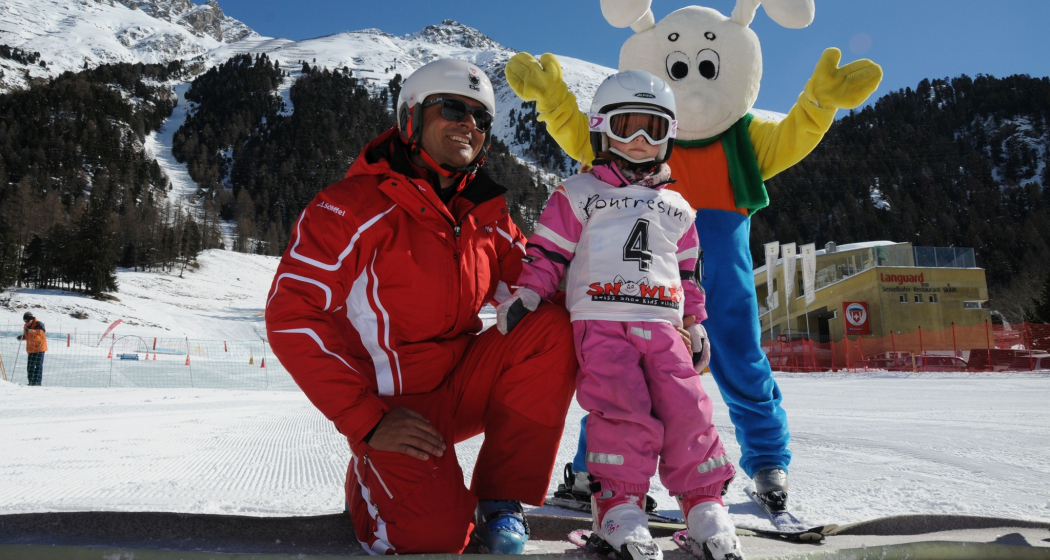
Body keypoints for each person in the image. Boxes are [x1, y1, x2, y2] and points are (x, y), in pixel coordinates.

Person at [264, 58, 577, 555]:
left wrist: (660, 318)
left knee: (550, 326)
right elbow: (292, 314)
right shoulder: (350, 207)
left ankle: (500, 497)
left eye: (480, 117)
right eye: (451, 108)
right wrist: (367, 421)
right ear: (410, 117)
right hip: (392, 408)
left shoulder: (485, 216)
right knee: (434, 540)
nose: (467, 123)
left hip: (461, 386)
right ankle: (370, 480)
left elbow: (545, 286)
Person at [497, 70, 741, 560]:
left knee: (688, 408)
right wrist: (529, 293)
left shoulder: (678, 208)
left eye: (654, 128)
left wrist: (694, 323)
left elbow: (688, 273)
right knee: (621, 409)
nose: (640, 139)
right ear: (600, 129)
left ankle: (704, 507)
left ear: (669, 137)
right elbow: (548, 253)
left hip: (664, 326)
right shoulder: (579, 192)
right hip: (602, 322)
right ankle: (620, 508)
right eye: (627, 126)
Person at [16, 311, 47, 386]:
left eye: (27, 321)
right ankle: (31, 382)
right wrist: (22, 337)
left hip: (40, 348)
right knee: (30, 366)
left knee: (38, 366)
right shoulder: (26, 327)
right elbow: (28, 336)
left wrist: (34, 331)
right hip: (31, 349)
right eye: (25, 321)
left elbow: (42, 333)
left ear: (31, 319)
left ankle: (37, 382)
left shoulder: (39, 324)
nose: (26, 323)